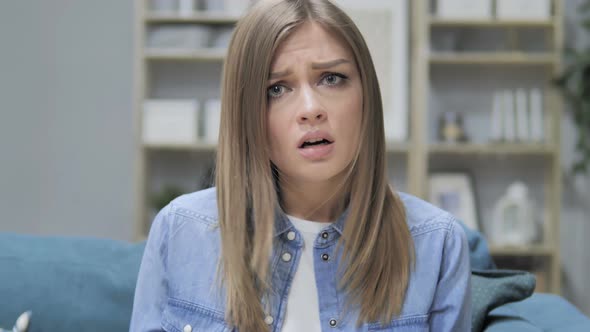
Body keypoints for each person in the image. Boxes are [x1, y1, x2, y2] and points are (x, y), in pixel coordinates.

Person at [130, 0, 472, 331]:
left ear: (366, 95)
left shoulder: (437, 243)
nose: (311, 108)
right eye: (277, 88)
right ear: (247, 115)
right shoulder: (179, 230)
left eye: (332, 78)